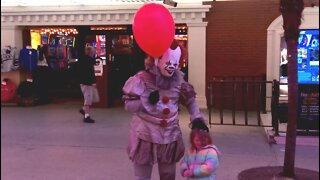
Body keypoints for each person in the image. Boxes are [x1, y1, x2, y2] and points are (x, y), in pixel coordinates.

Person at [122, 40, 209, 180]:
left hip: (169, 134)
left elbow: (190, 100)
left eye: (175, 64)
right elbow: (128, 105)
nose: (171, 67)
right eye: (168, 62)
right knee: (142, 176)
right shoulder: (141, 79)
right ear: (156, 59)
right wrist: (146, 100)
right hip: (145, 134)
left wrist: (197, 118)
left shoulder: (178, 80)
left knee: (168, 175)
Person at [78, 46, 99, 123]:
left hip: (83, 82)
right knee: (88, 100)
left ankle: (83, 110)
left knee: (89, 98)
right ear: (90, 52)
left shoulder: (83, 59)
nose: (94, 52)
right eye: (93, 51)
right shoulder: (89, 61)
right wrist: (93, 82)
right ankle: (86, 116)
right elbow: (90, 73)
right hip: (87, 83)